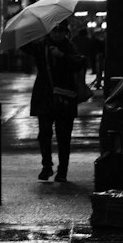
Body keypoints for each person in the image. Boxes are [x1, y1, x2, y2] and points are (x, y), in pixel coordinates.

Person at [23, 20, 87, 181]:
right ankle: (47, 166)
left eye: (60, 30)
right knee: (44, 134)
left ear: (66, 32)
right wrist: (28, 29)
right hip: (44, 96)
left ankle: (62, 171)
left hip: (65, 97)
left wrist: (62, 56)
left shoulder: (70, 47)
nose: (57, 33)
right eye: (54, 30)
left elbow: (80, 63)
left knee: (63, 136)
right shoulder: (41, 46)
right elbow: (23, 46)